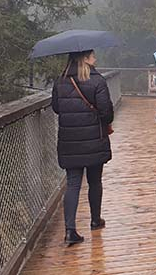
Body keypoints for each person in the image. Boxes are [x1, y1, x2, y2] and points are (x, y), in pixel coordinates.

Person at [51, 50, 114, 246]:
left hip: (69, 140)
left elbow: (56, 107)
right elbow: (106, 113)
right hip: (94, 138)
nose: (96, 58)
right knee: (95, 181)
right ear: (85, 59)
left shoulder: (61, 81)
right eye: (93, 56)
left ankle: (70, 230)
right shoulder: (97, 81)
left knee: (73, 184)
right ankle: (95, 220)